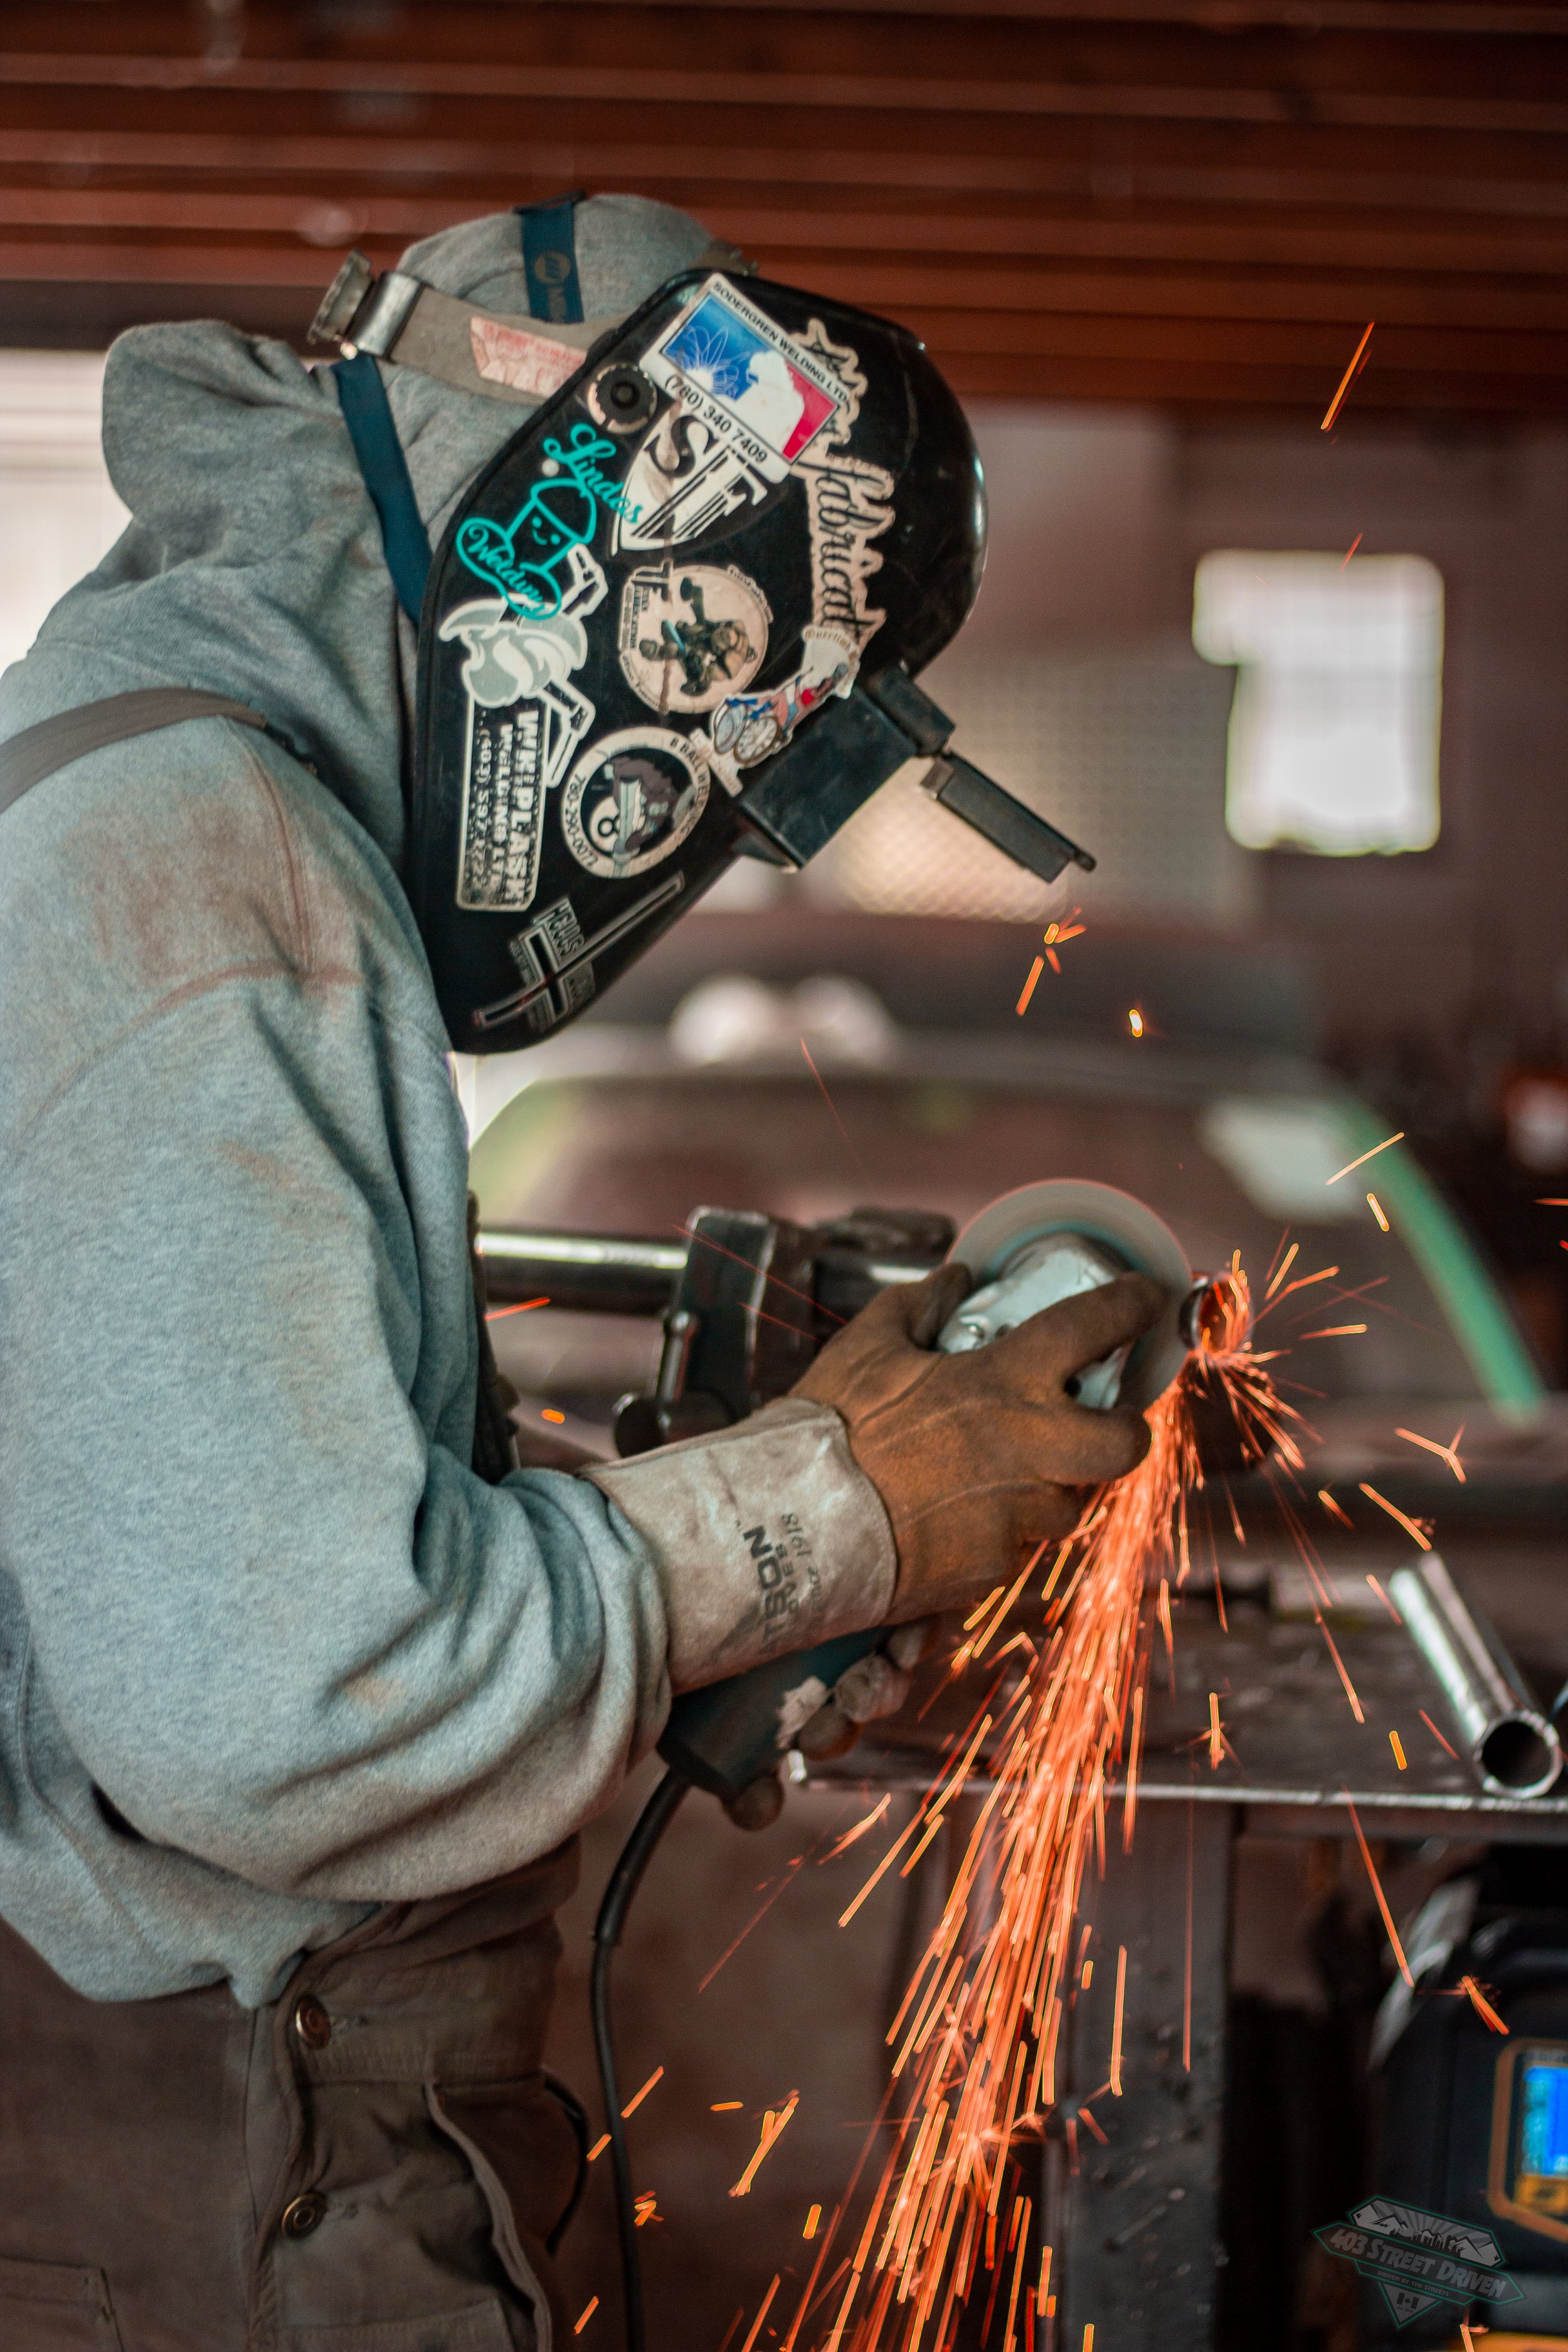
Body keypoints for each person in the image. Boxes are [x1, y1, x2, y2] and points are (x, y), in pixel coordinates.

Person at [0, 194, 1160, 2351]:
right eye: (734, 729)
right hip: (220, 2184)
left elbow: (169, 1526)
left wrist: (689, 1552)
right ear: (634, 545)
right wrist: (817, 1508)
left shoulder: (119, 779)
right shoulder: (208, 881)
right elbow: (291, 1712)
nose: (700, 818)